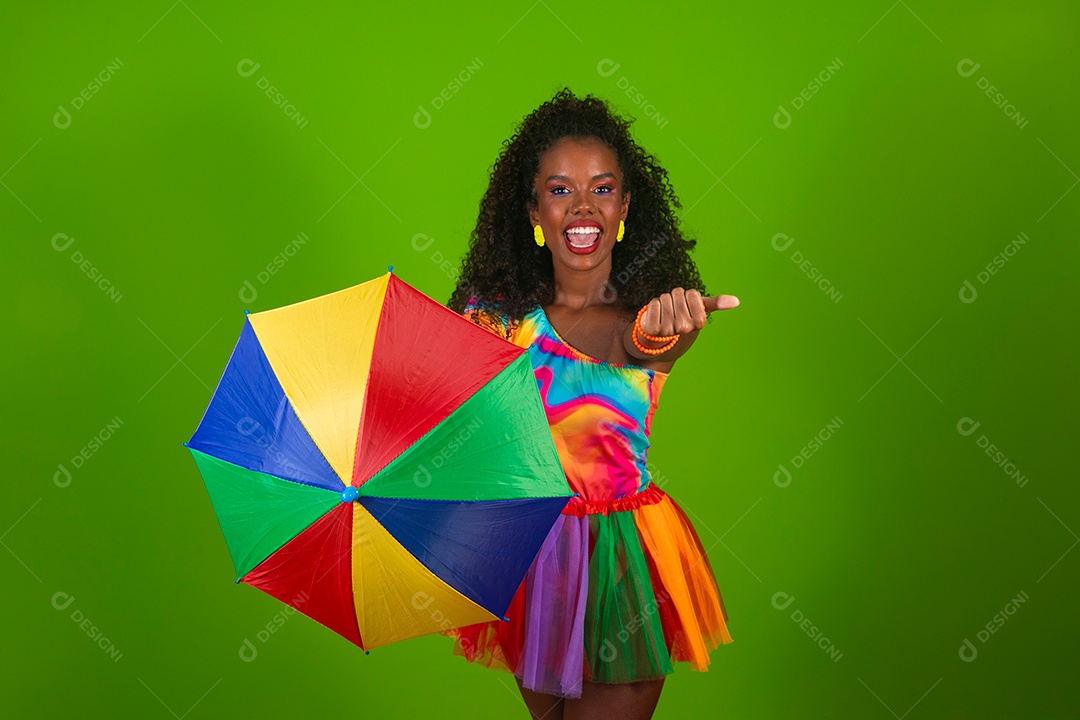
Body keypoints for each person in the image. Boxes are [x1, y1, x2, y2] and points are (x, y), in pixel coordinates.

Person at [443, 87, 739, 720]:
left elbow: (649, 342)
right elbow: (453, 435)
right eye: (559, 190)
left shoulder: (649, 322)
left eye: (602, 189)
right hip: (531, 562)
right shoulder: (496, 327)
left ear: (626, 205)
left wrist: (665, 330)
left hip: (621, 561)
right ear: (532, 210)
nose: (583, 207)